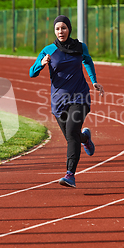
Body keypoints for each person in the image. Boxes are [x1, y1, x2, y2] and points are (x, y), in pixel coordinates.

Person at [29, 15, 104, 188]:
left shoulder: (79, 47)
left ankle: (70, 174)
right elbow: (32, 73)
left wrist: (93, 81)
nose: (60, 31)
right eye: (57, 28)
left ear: (69, 28)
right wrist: (41, 63)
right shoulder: (48, 50)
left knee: (71, 134)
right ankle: (85, 138)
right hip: (59, 101)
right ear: (54, 31)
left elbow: (87, 60)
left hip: (80, 96)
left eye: (63, 28)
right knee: (73, 136)